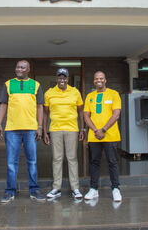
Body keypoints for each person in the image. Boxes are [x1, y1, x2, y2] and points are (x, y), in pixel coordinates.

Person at [0, 60, 46, 203]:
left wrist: (40, 127)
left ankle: (34, 190)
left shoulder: (36, 85)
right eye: (18, 67)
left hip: (31, 128)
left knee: (32, 161)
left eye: (23, 67)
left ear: (28, 69)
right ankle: (10, 191)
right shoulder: (8, 84)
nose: (19, 69)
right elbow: (3, 105)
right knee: (11, 162)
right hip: (12, 129)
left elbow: (40, 107)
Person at [43, 68, 85, 200]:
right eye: (60, 77)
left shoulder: (75, 92)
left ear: (67, 79)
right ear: (57, 78)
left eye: (64, 77)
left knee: (72, 158)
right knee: (57, 158)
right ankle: (56, 188)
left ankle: (75, 188)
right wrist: (45, 130)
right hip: (55, 129)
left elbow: (80, 112)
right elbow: (45, 113)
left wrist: (82, 129)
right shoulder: (49, 93)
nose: (62, 80)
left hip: (72, 129)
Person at [83, 71, 122, 202]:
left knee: (112, 162)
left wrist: (104, 129)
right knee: (94, 162)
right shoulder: (89, 96)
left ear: (105, 80)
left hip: (110, 135)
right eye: (96, 79)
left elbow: (116, 114)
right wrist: (95, 130)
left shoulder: (114, 94)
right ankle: (93, 189)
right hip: (94, 136)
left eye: (101, 78)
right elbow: (86, 115)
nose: (99, 80)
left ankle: (116, 189)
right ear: (94, 81)